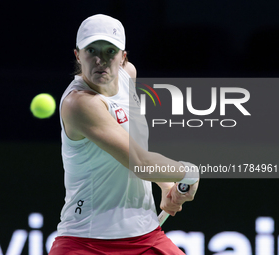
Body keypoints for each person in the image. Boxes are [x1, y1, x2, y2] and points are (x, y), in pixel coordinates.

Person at [49, 14, 199, 255]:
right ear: (78, 55)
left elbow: (133, 146)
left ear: (123, 57)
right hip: (86, 243)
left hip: (145, 236)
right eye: (91, 50)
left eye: (110, 51)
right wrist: (189, 172)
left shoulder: (128, 75)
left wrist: (165, 183)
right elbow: (140, 163)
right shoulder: (79, 104)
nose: (100, 60)